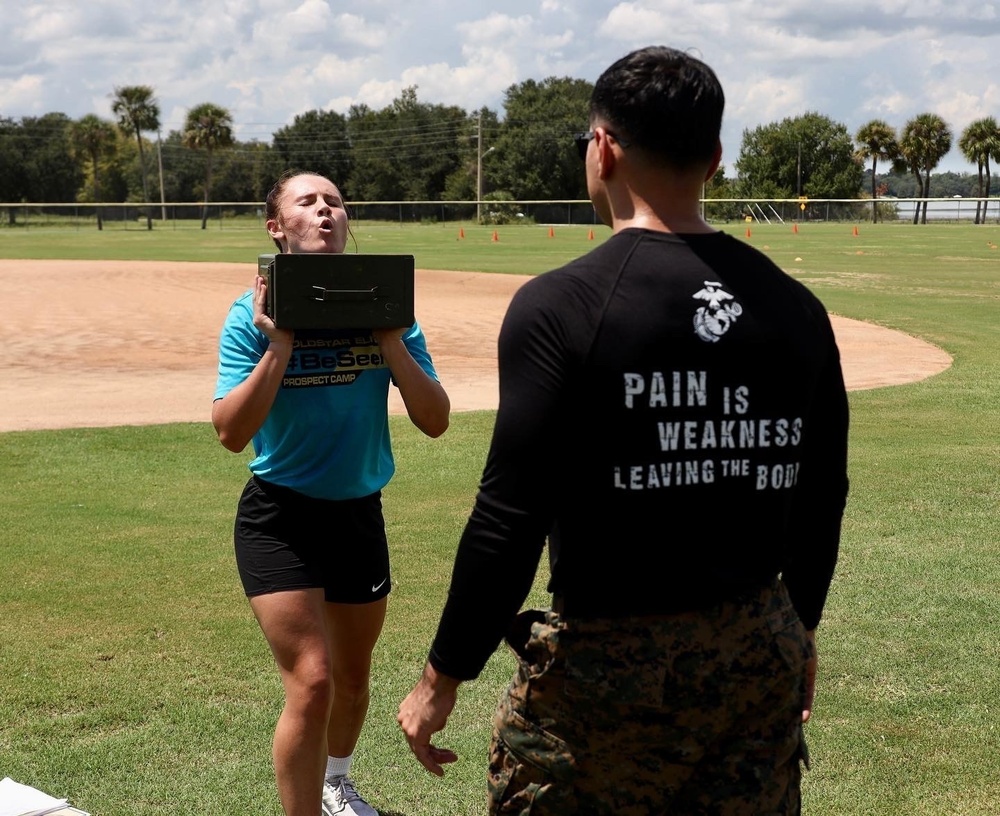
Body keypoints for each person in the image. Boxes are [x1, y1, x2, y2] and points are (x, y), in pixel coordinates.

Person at [397, 45, 849, 815]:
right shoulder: (796, 307)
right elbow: (821, 495)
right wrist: (796, 627)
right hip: (756, 651)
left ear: (602, 149)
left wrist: (442, 676)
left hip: (607, 669)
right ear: (714, 157)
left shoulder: (561, 306)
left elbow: (510, 517)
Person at [213, 169, 450, 816]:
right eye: (308, 201)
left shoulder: (386, 307)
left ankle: (336, 782)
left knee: (350, 682)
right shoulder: (249, 318)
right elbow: (232, 433)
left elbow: (435, 419)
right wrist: (279, 345)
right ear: (276, 227)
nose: (326, 211)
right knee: (312, 682)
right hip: (280, 517)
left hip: (357, 514)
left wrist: (391, 340)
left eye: (336, 202)